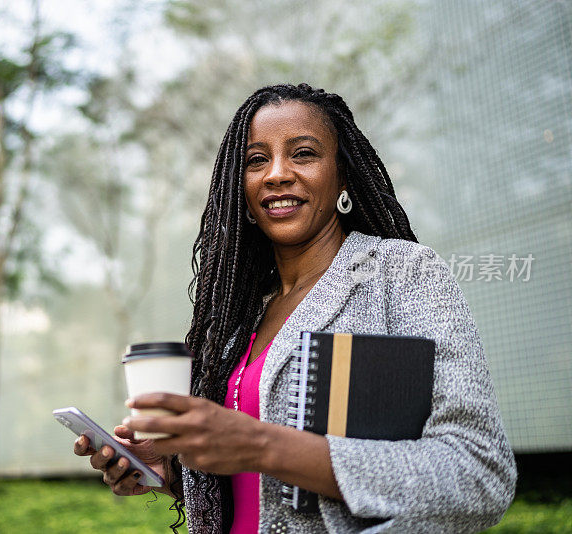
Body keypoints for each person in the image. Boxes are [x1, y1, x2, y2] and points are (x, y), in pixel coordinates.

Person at [72, 83, 516, 533]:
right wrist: (174, 472)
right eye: (256, 160)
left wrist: (264, 445)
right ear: (240, 190)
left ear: (342, 175)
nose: (276, 174)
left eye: (303, 154)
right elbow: (252, 491)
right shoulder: (241, 317)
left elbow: (479, 475)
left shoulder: (402, 274)